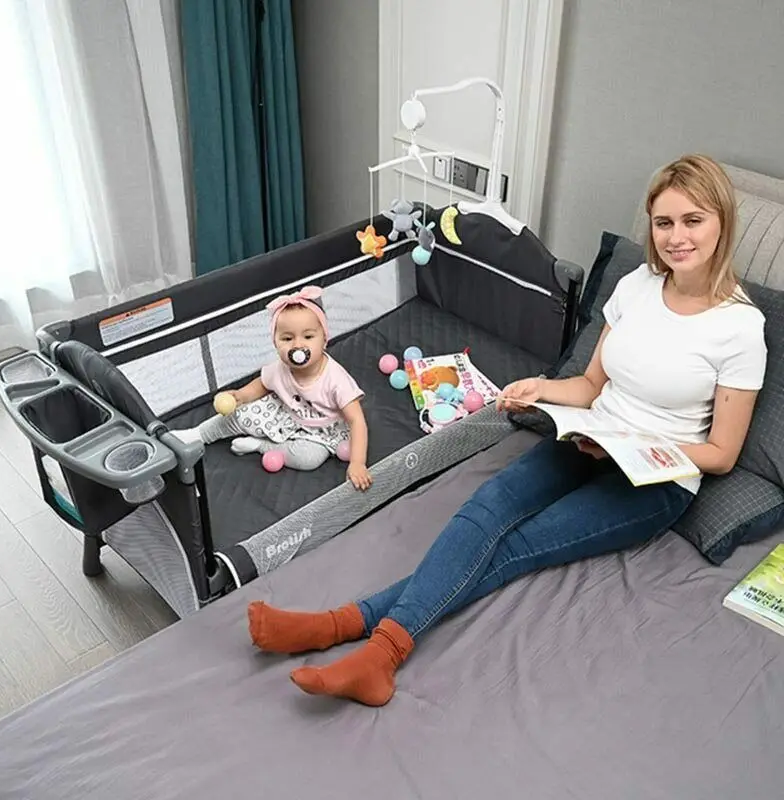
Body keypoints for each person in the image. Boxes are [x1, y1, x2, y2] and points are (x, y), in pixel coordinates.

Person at [246, 154, 768, 706]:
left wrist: (633, 447)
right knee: (485, 509)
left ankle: (362, 641)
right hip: (589, 437)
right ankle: (343, 634)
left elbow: (721, 453)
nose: (676, 237)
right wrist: (540, 388)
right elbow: (590, 386)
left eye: (693, 221)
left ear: (722, 222)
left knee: (514, 546)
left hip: (654, 481)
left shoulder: (739, 327)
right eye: (664, 223)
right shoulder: (637, 285)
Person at [173, 286, 373, 491]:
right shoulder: (281, 368)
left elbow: (356, 420)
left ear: (324, 339)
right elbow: (262, 383)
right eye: (287, 338)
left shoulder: (336, 379)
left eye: (308, 337)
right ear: (276, 344)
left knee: (308, 458)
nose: (297, 345)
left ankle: (261, 445)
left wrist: (358, 463)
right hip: (285, 412)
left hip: (322, 429)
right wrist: (241, 396)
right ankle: (198, 434)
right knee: (239, 415)